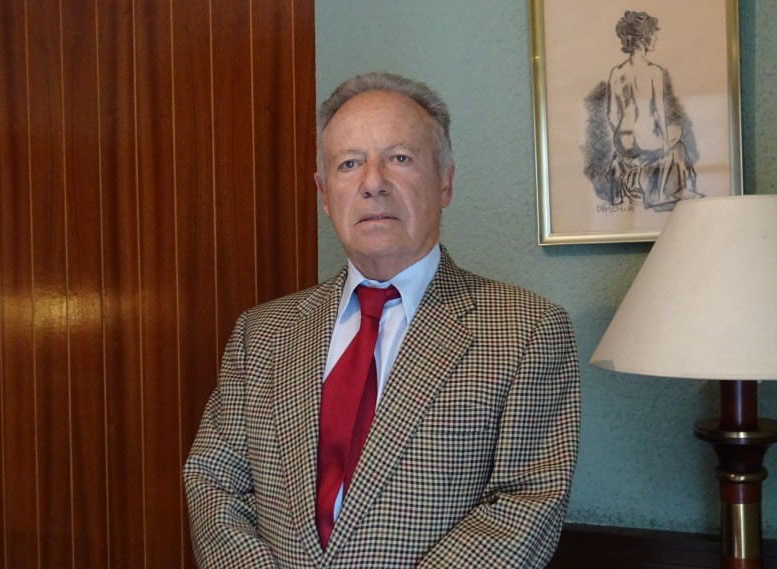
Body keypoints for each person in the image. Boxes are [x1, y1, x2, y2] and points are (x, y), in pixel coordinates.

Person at [183, 71, 581, 567]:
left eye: (399, 158)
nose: (372, 183)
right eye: (349, 164)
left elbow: (525, 503)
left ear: (445, 182)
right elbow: (215, 480)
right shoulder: (260, 333)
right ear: (324, 194)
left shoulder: (527, 330)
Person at [606, 11, 700, 211]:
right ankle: (660, 193)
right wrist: (665, 143)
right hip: (646, 141)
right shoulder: (654, 71)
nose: (656, 38)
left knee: (669, 138)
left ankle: (630, 168)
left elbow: (612, 115)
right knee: (677, 133)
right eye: (653, 34)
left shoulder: (616, 72)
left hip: (623, 141)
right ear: (643, 38)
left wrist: (620, 139)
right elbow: (659, 111)